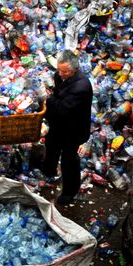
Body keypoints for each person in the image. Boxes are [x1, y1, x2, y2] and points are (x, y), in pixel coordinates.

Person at [41, 50, 93, 204]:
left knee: (69, 160)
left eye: (64, 71)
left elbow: (62, 107)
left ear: (74, 69)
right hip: (59, 124)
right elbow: (57, 93)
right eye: (59, 69)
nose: (60, 74)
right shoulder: (60, 76)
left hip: (74, 129)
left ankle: (70, 191)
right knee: (51, 145)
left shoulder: (81, 86)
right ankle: (49, 170)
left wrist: (47, 100)